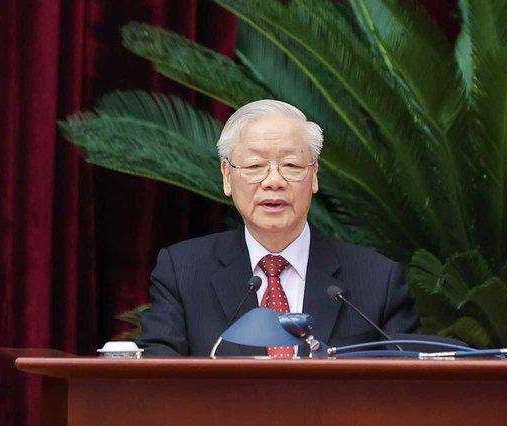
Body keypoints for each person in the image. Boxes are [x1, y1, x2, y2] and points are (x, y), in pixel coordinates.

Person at [137, 100, 419, 357]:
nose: (274, 181)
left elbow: (409, 390)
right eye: (256, 165)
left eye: (291, 165)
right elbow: (157, 382)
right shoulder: (182, 272)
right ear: (227, 176)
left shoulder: (378, 279)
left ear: (314, 176)